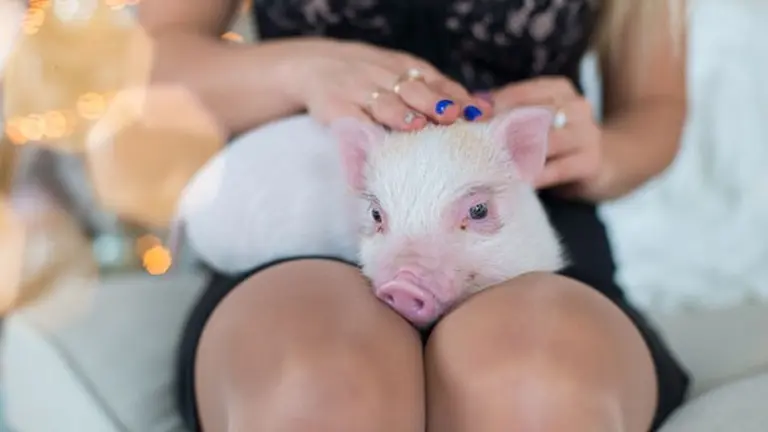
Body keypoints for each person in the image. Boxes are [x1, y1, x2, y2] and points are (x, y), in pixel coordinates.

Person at [138, 0, 691, 431]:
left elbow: (655, 109)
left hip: (529, 237)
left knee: (533, 385)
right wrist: (298, 71)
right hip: (304, 230)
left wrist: (598, 153)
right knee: (320, 386)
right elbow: (149, 68)